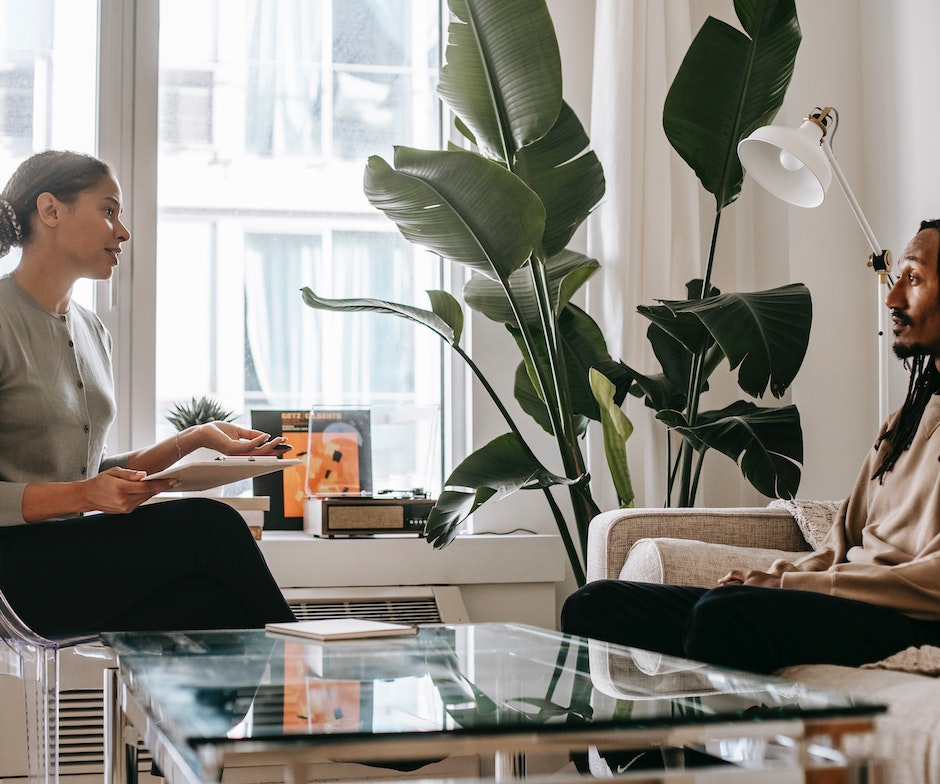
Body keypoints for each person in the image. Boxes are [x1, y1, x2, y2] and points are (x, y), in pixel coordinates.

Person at [562, 219, 940, 675]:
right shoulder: (903, 423)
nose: (892, 297)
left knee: (723, 616)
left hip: (904, 620)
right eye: (896, 277)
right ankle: (639, 749)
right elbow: (842, 543)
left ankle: (707, 744)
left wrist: (798, 589)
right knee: (595, 604)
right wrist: (784, 576)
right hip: (845, 602)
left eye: (913, 278)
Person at [0, 149, 295, 637]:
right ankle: (315, 684)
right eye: (109, 210)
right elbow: (80, 487)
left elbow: (84, 473)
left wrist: (194, 441)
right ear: (50, 210)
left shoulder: (93, 331)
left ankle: (280, 709)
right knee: (212, 527)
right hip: (12, 569)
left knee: (206, 607)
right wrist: (84, 494)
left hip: (67, 555)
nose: (123, 232)